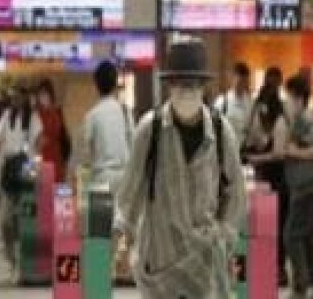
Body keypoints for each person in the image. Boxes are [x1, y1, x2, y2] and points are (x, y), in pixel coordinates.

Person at [114, 39, 246, 299]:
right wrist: (119, 240)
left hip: (205, 264)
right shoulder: (150, 131)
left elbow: (236, 192)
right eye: (179, 83)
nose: (186, 90)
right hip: (160, 264)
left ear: (202, 86)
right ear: (169, 86)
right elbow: (129, 193)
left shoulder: (221, 133)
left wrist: (225, 237)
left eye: (192, 83)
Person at [283, 74, 313, 299]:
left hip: (308, 189)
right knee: (308, 239)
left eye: (290, 96)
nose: (288, 101)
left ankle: (301, 285)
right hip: (307, 189)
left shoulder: (305, 119)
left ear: (299, 98)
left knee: (291, 236)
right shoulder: (298, 120)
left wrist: (294, 152)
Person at [245, 69, 289, 285]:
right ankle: (266, 266)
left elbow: (278, 153)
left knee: (278, 226)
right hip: (266, 179)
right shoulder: (264, 120)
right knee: (264, 225)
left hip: (280, 180)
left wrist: (258, 159)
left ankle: (279, 269)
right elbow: (258, 138)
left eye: (264, 116)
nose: (262, 120)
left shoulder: (280, 122)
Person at [0, 87, 42, 282]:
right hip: (7, 172)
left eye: (19, 97)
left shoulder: (33, 119)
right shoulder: (7, 116)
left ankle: (24, 266)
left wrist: (32, 175)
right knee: (6, 221)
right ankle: (11, 260)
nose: (16, 101)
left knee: (25, 221)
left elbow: (37, 145)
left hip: (26, 173)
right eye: (13, 98)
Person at [78, 61, 133, 193]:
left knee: (103, 214)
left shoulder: (92, 115)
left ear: (96, 86)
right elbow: (133, 144)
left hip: (101, 179)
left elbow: (84, 153)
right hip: (125, 178)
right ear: (115, 84)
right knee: (123, 214)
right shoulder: (125, 112)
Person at [214, 62, 254, 151]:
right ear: (232, 78)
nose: (242, 84)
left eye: (245, 81)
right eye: (239, 80)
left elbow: (253, 127)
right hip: (227, 149)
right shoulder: (222, 102)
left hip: (245, 149)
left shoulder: (250, 103)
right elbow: (215, 127)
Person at [36, 78, 70, 182]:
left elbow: (58, 133)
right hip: (40, 157)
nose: (42, 97)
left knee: (56, 191)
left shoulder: (55, 113)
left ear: (50, 95)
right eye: (40, 94)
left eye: (45, 93)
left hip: (54, 156)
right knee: (44, 193)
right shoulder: (37, 113)